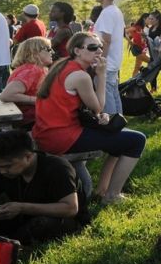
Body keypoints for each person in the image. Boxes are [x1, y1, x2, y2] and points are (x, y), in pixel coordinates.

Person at [32, 32, 146, 204]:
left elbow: (84, 108)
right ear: (77, 50)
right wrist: (101, 75)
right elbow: (99, 106)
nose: (99, 51)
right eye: (93, 47)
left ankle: (102, 190)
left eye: (100, 46)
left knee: (117, 134)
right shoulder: (80, 76)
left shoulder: (62, 65)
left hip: (47, 133)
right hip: (61, 138)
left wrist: (99, 116)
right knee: (137, 140)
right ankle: (112, 196)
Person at [0, 130, 85, 245]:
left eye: (7, 166)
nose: (2, 171)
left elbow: (71, 209)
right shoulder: (6, 172)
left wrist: (22, 208)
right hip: (23, 218)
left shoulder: (58, 168)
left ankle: (12, 245)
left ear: (28, 156)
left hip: (61, 220)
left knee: (41, 224)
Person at [0, 37, 53, 127]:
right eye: (48, 49)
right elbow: (6, 95)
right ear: (35, 53)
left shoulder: (33, 68)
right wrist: (38, 100)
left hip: (31, 119)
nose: (52, 52)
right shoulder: (32, 70)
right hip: (31, 121)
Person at [92, 0, 124, 117]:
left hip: (107, 63)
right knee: (113, 93)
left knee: (106, 96)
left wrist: (101, 61)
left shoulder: (107, 13)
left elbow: (106, 40)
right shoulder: (115, 11)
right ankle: (120, 124)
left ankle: (112, 125)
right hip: (113, 61)